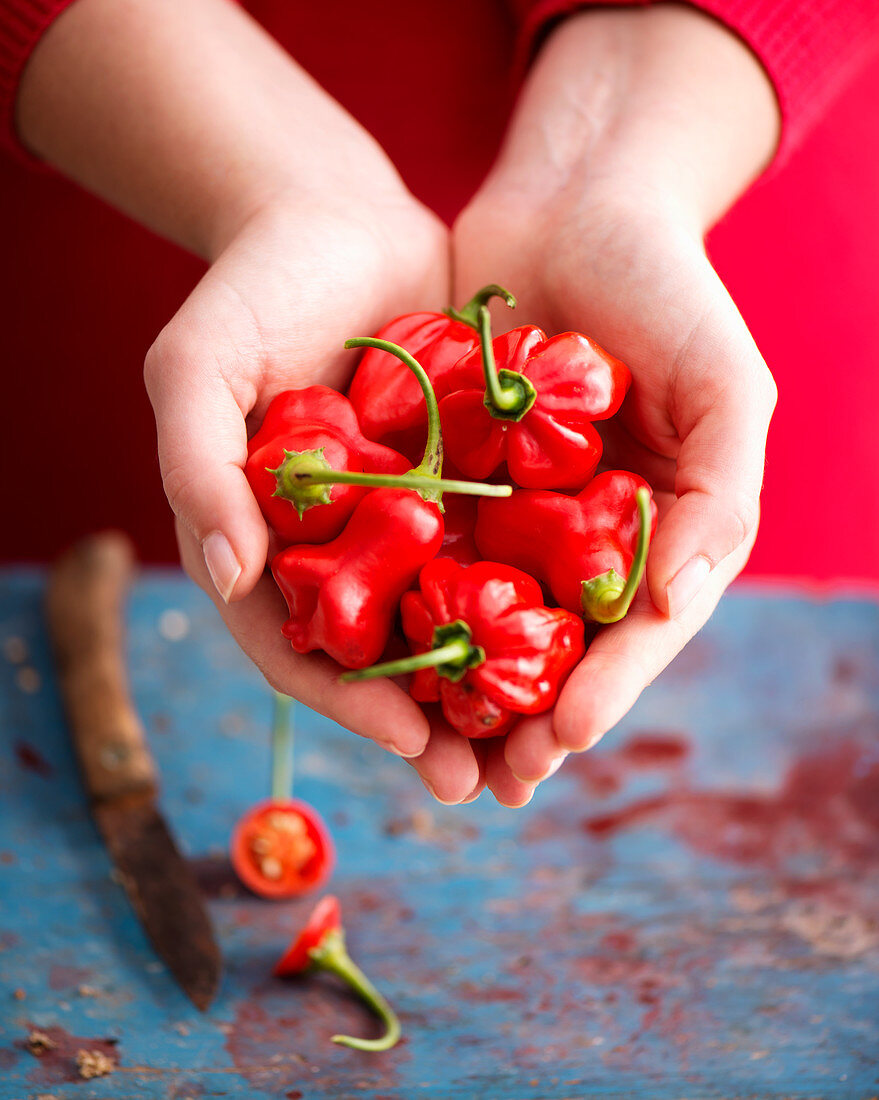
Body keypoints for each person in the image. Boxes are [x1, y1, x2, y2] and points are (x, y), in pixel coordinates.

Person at [2, 0, 877, 806]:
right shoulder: (424, 472)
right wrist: (289, 195)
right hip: (135, 149)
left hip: (713, 146)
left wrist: (611, 164)